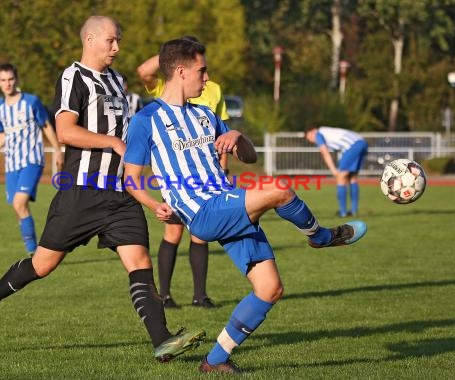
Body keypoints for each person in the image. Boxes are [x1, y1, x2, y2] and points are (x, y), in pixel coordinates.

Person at [0, 16, 205, 363]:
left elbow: (138, 116)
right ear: (90, 39)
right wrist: (112, 143)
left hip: (120, 195)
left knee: (139, 263)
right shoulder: (73, 76)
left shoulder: (118, 80)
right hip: (81, 192)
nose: (117, 47)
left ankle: (162, 341)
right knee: (43, 265)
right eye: (111, 41)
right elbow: (65, 131)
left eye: (118, 40)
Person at [123, 38, 367, 374]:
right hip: (203, 212)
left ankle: (215, 360)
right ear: (181, 71)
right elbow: (130, 178)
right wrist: (153, 204)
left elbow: (249, 157)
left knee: (269, 289)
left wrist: (238, 136)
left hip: (226, 203)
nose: (206, 78)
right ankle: (320, 236)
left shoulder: (206, 115)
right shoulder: (145, 120)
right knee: (278, 188)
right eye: (201, 70)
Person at [136, 36, 230, 308]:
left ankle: (199, 295)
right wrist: (172, 52)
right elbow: (144, 72)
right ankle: (164, 295)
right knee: (173, 233)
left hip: (208, 173)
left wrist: (223, 169)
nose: (203, 76)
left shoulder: (213, 90)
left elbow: (221, 131)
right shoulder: (167, 89)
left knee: (200, 234)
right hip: (177, 176)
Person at [0, 63, 63, 256]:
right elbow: (3, 135)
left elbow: (46, 127)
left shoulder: (31, 102)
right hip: (12, 164)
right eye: (3, 80)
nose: (7, 83)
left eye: (10, 79)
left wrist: (58, 150)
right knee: (18, 208)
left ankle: (33, 252)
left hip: (32, 160)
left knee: (19, 203)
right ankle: (34, 250)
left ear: (16, 80)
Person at [305, 125, 368, 217]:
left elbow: (324, 152)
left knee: (340, 178)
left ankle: (342, 213)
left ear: (313, 130)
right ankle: (354, 211)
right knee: (352, 178)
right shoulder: (327, 131)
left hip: (352, 146)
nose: (311, 140)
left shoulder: (319, 133)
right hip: (362, 143)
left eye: (309, 137)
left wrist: (333, 170)